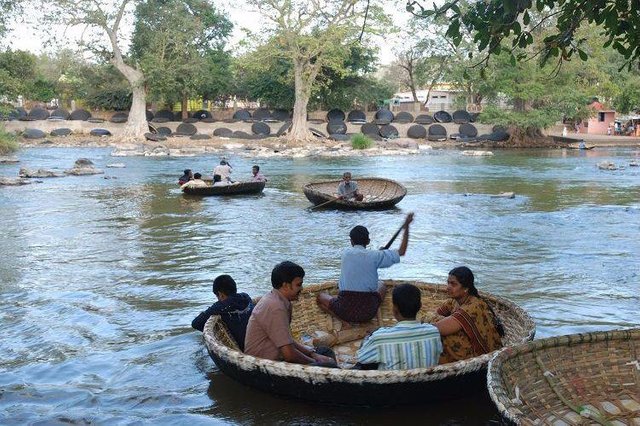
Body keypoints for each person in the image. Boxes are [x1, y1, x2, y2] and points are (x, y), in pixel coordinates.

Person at [316, 213, 414, 325]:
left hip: (344, 310)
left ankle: (343, 322)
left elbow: (363, 257)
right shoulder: (375, 256)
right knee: (381, 284)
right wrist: (407, 227)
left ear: (351, 241)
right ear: (368, 241)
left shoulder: (346, 254)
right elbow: (402, 251)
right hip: (368, 312)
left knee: (320, 297)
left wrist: (380, 252)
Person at [244, 261, 337, 366]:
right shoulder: (275, 307)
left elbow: (288, 341)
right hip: (264, 364)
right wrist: (316, 362)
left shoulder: (278, 300)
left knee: (325, 352)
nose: (301, 288)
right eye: (298, 285)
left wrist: (313, 354)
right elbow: (289, 354)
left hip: (276, 357)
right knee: (329, 364)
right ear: (286, 286)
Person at [355, 284, 442, 370]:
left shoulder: (380, 338)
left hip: (391, 383)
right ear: (419, 306)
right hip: (426, 383)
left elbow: (361, 358)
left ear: (395, 309)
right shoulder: (434, 332)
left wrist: (367, 339)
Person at [434, 266, 504, 364]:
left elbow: (438, 328)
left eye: (453, 284)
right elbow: (436, 314)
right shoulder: (453, 302)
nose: (448, 287)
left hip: (480, 353)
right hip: (469, 346)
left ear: (466, 288)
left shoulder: (473, 306)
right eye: (448, 283)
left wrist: (425, 320)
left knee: (440, 338)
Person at [191, 275, 254, 351]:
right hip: (254, 341)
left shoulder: (220, 306)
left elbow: (195, 323)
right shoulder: (245, 297)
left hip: (244, 348)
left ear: (220, 294)